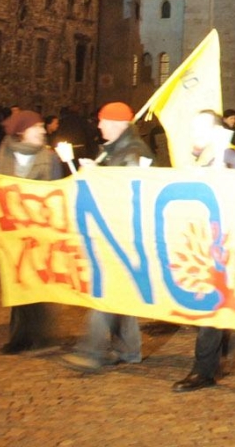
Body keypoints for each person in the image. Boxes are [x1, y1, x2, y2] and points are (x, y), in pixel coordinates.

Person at [63, 101, 153, 372]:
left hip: (123, 235)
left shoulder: (134, 152)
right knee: (120, 292)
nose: (99, 125)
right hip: (114, 231)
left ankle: (91, 351)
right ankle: (129, 350)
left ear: (118, 124)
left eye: (103, 121)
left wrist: (99, 177)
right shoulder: (118, 149)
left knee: (108, 291)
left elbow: (130, 193)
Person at [172, 110, 235, 392]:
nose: (194, 134)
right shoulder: (202, 159)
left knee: (209, 308)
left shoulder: (229, 158)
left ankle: (203, 370)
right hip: (202, 242)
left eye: (200, 129)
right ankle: (217, 354)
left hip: (222, 245)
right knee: (210, 308)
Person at [0, 110, 63, 352]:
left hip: (39, 230)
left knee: (36, 279)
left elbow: (56, 191)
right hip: (12, 231)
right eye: (38, 128)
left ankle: (37, 333)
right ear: (22, 132)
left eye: (43, 127)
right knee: (18, 281)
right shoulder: (3, 155)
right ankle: (21, 337)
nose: (43, 131)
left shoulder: (49, 158)